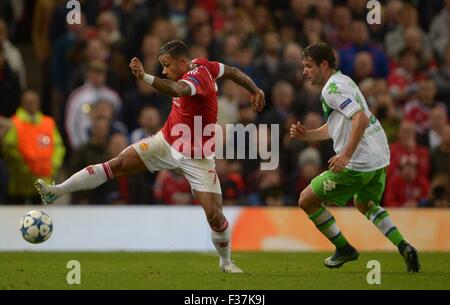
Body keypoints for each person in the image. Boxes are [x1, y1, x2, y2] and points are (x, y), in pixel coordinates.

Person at [35, 40, 265, 273]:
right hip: (166, 141)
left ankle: (225, 262)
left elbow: (177, 90)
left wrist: (145, 77)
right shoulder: (204, 65)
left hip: (197, 156)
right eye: (161, 66)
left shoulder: (198, 77)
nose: (164, 71)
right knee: (117, 164)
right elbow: (233, 72)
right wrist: (254, 89)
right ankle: (57, 191)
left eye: (167, 65)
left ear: (183, 62)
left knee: (215, 216)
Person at [290, 42, 420, 272]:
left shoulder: (331, 91)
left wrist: (345, 155)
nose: (304, 72)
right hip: (379, 156)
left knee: (306, 200)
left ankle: (344, 249)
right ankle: (405, 247)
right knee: (366, 204)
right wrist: (307, 135)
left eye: (308, 66)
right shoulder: (344, 81)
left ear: (324, 64)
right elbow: (340, 126)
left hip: (358, 162)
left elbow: (359, 118)